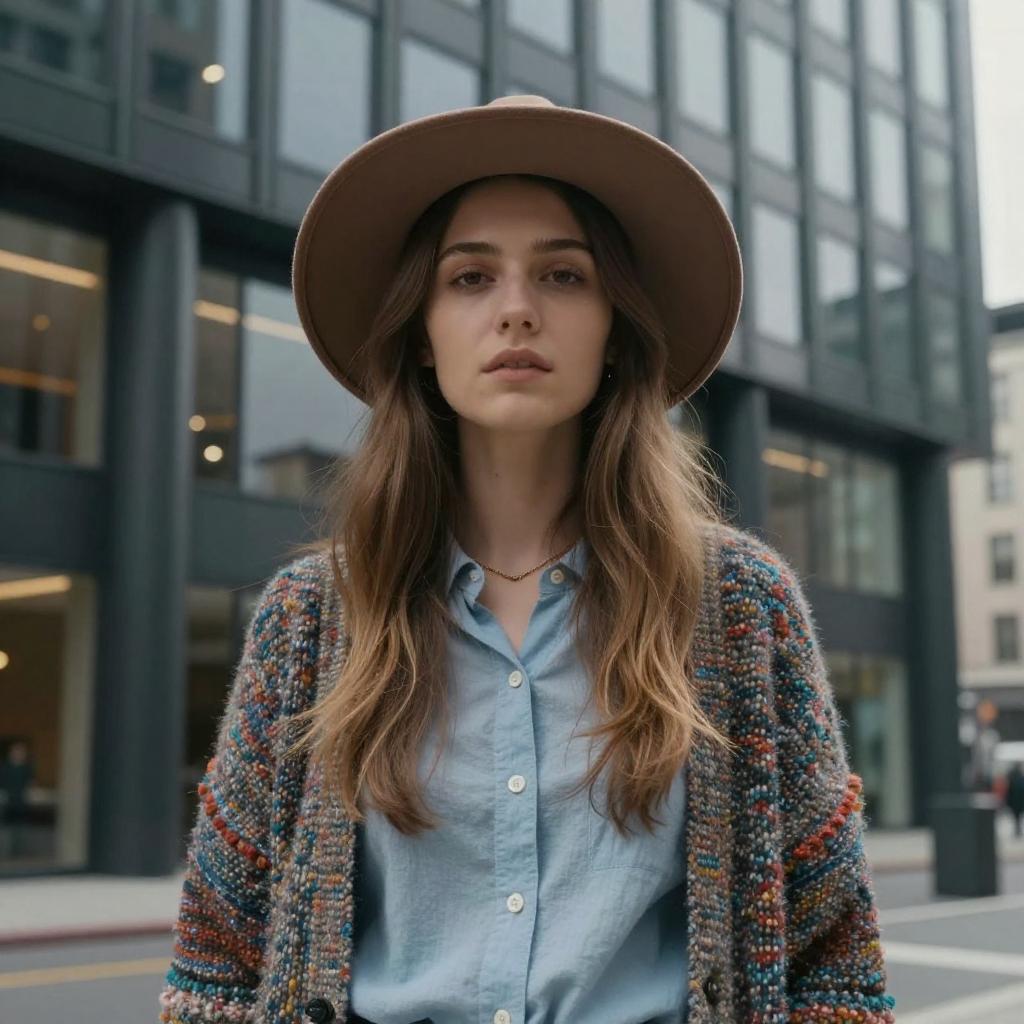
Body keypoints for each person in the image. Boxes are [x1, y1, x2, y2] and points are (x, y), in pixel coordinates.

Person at [159, 96, 895, 1024]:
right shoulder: (312, 615)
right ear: (421, 334)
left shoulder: (738, 604)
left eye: (563, 275)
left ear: (615, 329)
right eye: (470, 277)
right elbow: (217, 965)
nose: (516, 310)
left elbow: (835, 959)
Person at [1005, 762, 1024, 838]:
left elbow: (1009, 792)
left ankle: (1017, 829)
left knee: (1016, 817)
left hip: (1015, 802)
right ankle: (1018, 829)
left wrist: (1008, 802)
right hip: (1019, 802)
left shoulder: (1012, 779)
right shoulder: (1021, 779)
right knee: (1017, 817)